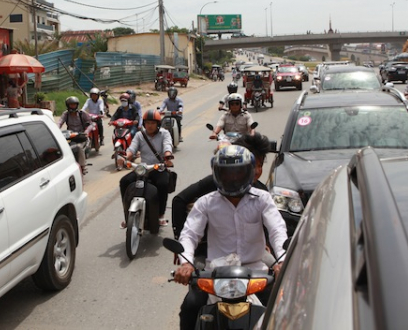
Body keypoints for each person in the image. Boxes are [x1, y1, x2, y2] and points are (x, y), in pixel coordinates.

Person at [172, 145, 288, 330]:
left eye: (238, 173)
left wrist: (282, 260)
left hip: (256, 273)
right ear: (217, 174)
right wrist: (186, 263)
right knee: (190, 307)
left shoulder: (262, 199)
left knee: (284, 308)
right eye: (227, 173)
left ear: (248, 173)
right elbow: (190, 234)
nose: (233, 178)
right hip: (215, 273)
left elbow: (277, 230)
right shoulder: (206, 202)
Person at [118, 109, 173, 228]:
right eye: (148, 123)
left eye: (153, 123)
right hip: (143, 168)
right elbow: (132, 149)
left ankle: (160, 215)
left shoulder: (164, 133)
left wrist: (168, 155)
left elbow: (167, 145)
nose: (150, 125)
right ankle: (127, 216)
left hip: (158, 168)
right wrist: (125, 158)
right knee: (124, 182)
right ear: (144, 124)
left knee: (163, 184)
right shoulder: (140, 135)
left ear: (158, 124)